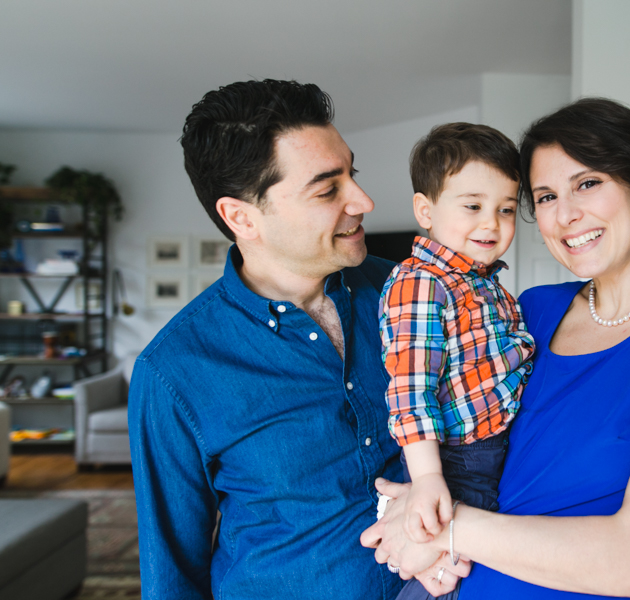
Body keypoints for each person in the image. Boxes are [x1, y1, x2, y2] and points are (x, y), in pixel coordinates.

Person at [361, 97, 630, 600]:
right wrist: (418, 514)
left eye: (588, 184)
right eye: (545, 197)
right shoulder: (532, 311)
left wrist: (436, 529)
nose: (566, 215)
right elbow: (438, 412)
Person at [128, 79, 467, 600]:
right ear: (241, 217)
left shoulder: (418, 293)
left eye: (351, 174)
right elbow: (172, 573)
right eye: (327, 189)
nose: (363, 200)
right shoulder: (174, 371)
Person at [379, 123, 535, 598]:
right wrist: (427, 478)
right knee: (442, 577)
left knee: (457, 567)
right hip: (456, 463)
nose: (491, 223)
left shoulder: (482, 282)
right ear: (425, 210)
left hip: (485, 455)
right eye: (472, 206)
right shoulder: (423, 283)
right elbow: (411, 388)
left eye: (506, 209)